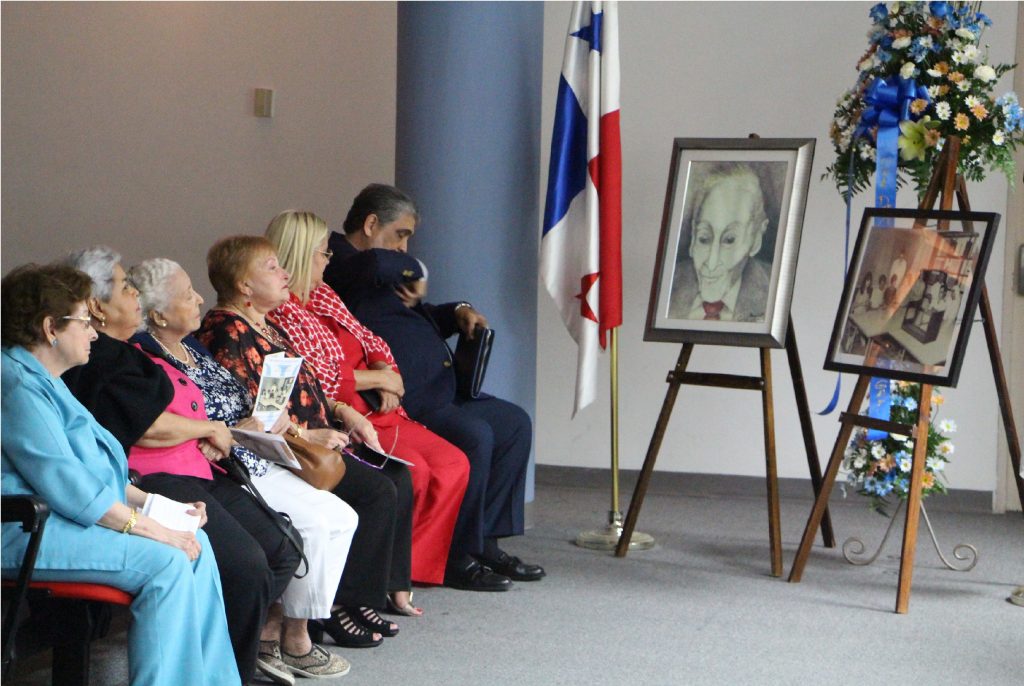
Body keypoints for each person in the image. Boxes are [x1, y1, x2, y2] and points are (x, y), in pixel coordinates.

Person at [60, 247, 300, 684]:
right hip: (149, 477)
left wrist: (212, 432)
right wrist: (206, 429)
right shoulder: (92, 360)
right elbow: (144, 427)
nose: (133, 293)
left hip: (199, 468)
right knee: (244, 564)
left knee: (284, 546)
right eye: (124, 287)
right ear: (96, 307)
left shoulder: (129, 351)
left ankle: (227, 661)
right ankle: (231, 672)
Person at [1, 263, 240, 686]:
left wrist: (163, 509)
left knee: (195, 541)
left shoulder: (48, 380)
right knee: (166, 560)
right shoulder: (16, 386)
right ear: (50, 327)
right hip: (24, 530)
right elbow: (71, 488)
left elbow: (97, 474)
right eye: (85, 322)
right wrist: (151, 529)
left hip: (62, 520)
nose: (94, 332)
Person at [128, 257, 353, 682]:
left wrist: (270, 420)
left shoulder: (191, 345)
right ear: (157, 314)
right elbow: (158, 425)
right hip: (195, 467)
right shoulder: (142, 353)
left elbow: (225, 406)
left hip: (240, 453)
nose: (199, 300)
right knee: (255, 560)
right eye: (186, 295)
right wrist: (223, 430)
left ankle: (265, 635)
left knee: (291, 543)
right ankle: (248, 657)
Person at [325, 184, 544, 591]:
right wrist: (414, 271)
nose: (405, 248)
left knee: (513, 423)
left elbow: (419, 315)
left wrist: (458, 311)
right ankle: (457, 556)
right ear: (371, 224)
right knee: (476, 436)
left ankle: (487, 542)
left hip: (445, 391)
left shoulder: (381, 269)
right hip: (410, 402)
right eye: (401, 235)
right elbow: (378, 266)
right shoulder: (341, 262)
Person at [196, 235, 409, 646]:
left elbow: (297, 389)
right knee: (362, 498)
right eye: (272, 267)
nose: (285, 274)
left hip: (303, 446)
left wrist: (342, 412)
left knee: (381, 485)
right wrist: (308, 434)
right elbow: (253, 417)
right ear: (243, 285)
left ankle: (311, 621)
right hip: (270, 456)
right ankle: (305, 625)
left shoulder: (268, 325)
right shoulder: (227, 333)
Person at [265, 210, 469, 608]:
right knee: (409, 474)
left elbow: (368, 336)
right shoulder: (281, 310)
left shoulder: (323, 293)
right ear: (302, 254)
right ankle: (380, 586)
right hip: (340, 416)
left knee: (453, 463)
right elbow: (318, 378)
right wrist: (379, 381)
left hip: (370, 409)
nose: (329, 261)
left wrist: (381, 365)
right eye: (323, 253)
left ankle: (412, 573)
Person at [668, 163, 772, 322]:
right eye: (704, 239)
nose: (711, 263)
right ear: (693, 234)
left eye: (729, 240)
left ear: (756, 238)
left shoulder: (773, 294)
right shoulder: (669, 286)